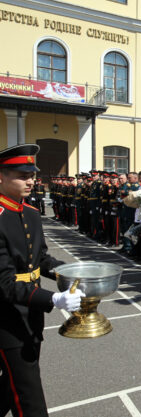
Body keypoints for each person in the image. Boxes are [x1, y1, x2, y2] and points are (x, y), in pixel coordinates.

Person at [0, 144, 83, 417]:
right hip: (7, 320)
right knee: (29, 398)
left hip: (31, 316)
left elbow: (41, 259)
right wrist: (54, 298)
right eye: (22, 175)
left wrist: (66, 272)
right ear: (1, 176)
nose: (31, 180)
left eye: (32, 174)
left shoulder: (32, 213)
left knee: (11, 384)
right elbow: (5, 283)